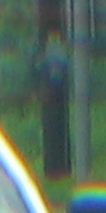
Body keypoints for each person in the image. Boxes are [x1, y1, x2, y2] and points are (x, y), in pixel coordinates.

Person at [36, 28, 72, 178]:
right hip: (54, 99)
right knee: (54, 135)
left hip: (55, 98)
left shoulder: (49, 54)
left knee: (56, 134)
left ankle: (57, 169)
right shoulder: (58, 53)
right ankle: (55, 169)